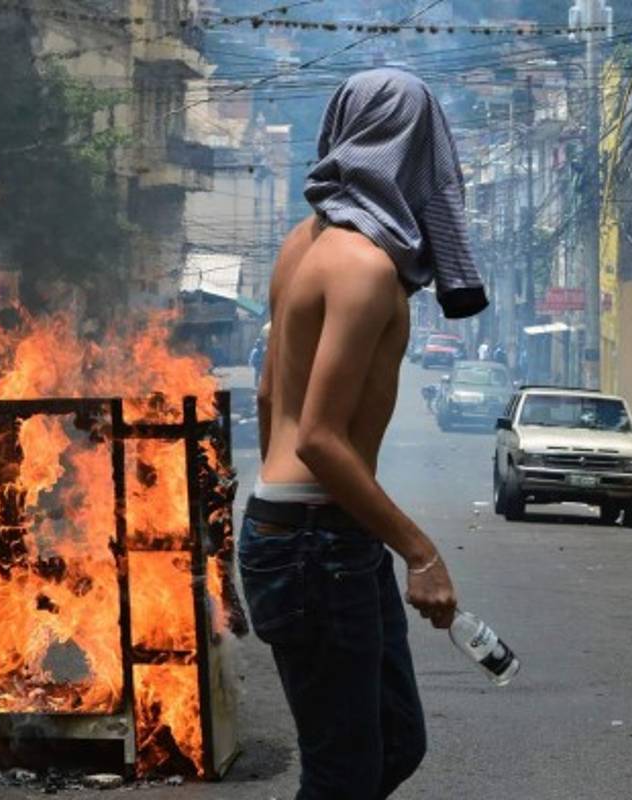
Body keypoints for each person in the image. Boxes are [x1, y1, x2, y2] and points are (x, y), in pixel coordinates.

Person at [241, 69, 487, 799]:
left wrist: (276, 509)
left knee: (396, 744)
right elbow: (317, 437)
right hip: (316, 540)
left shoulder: (301, 244)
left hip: (314, 531)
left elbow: (266, 394)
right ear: (415, 154)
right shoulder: (364, 267)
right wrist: (421, 551)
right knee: (343, 774)